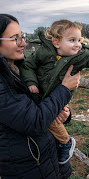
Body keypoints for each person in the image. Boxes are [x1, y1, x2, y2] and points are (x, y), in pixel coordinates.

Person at [20, 19, 89, 164]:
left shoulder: (79, 56)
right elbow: (28, 66)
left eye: (79, 40)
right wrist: (31, 82)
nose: (78, 44)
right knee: (43, 121)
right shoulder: (43, 52)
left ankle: (65, 142)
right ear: (56, 42)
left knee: (51, 120)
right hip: (40, 96)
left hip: (57, 99)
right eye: (72, 40)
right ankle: (51, 146)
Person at [0, 14, 81, 179]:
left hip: (44, 162)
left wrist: (63, 112)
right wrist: (65, 89)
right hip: (26, 169)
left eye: (22, 36)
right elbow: (34, 121)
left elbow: (41, 103)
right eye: (15, 38)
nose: (23, 43)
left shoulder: (21, 69)